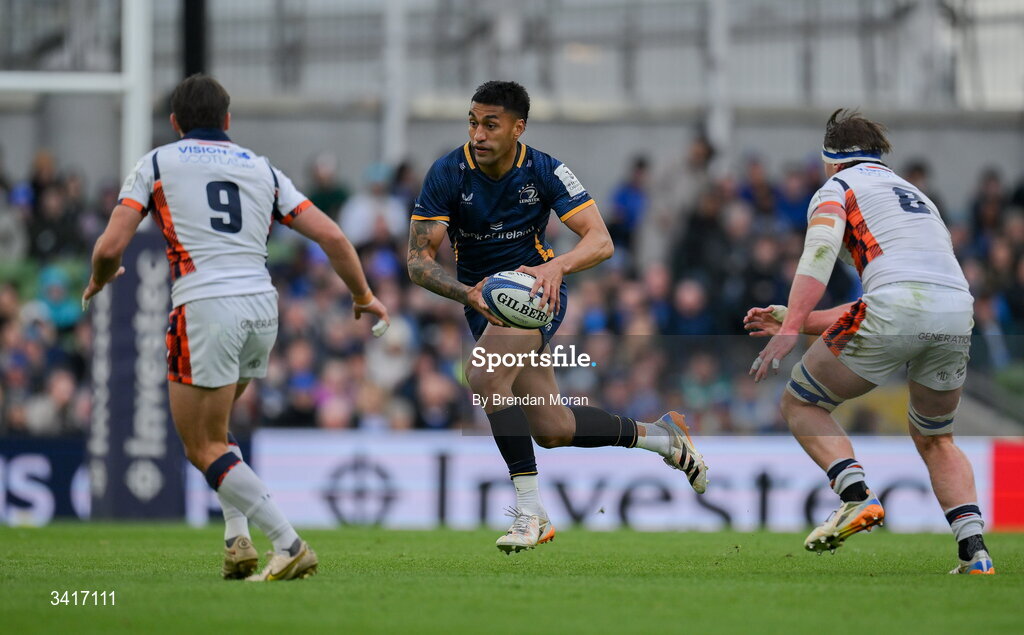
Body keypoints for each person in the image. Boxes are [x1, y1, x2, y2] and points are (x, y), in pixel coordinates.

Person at [82, 74, 389, 581]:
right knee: (218, 432)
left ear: (175, 123)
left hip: (205, 306)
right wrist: (364, 296)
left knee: (200, 446)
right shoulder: (260, 168)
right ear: (228, 121)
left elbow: (110, 247)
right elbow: (332, 235)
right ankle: (236, 541)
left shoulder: (158, 161)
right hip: (260, 308)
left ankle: (287, 543)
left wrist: (98, 280)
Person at [406, 80, 708, 553]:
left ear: (517, 128)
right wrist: (468, 295)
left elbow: (601, 240)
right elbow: (418, 261)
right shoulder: (447, 173)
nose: (478, 134)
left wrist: (556, 266)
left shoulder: (546, 170)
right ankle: (663, 438)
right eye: (472, 122)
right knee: (553, 429)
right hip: (482, 303)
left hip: (535, 297)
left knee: (484, 377)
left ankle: (531, 515)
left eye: (491, 124)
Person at [744, 109, 994, 574]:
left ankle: (856, 497)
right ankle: (975, 553)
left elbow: (821, 256)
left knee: (801, 403)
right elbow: (894, 300)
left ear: (831, 160)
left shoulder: (837, 188)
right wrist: (795, 317)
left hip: (899, 305)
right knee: (937, 437)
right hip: (958, 309)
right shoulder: (915, 195)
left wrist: (794, 325)